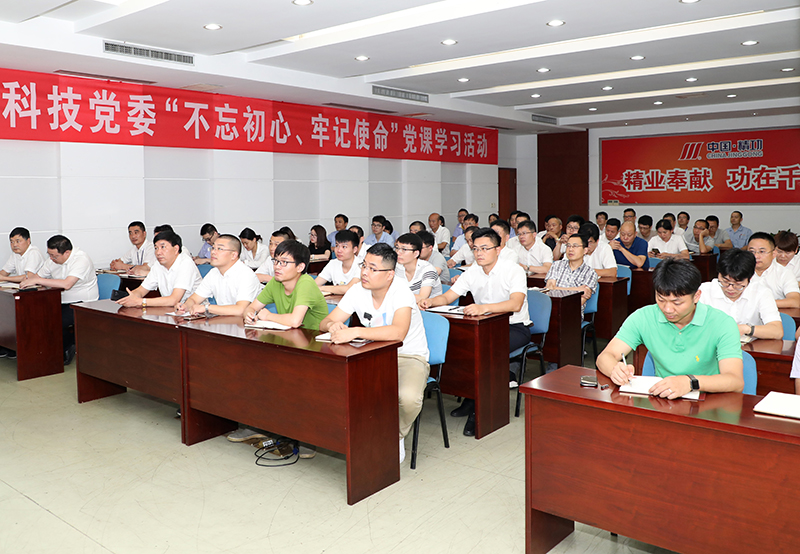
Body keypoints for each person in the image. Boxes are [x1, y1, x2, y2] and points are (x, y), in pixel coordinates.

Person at [320, 243, 430, 463]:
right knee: (336, 388)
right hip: (370, 354)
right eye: (364, 266)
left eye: (372, 268)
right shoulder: (357, 290)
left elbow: (398, 333)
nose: (364, 272)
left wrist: (356, 331)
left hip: (407, 356)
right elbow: (325, 321)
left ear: (389, 274)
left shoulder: (401, 291)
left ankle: (395, 435)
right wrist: (333, 326)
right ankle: (354, 435)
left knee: (408, 398)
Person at [419, 228, 530, 436]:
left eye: (485, 248)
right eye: (475, 248)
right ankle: (470, 397)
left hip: (514, 327)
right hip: (483, 327)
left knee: (481, 352)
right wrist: (430, 302)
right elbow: (448, 297)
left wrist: (484, 308)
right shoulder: (473, 271)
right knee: (461, 346)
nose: (479, 253)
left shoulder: (513, 270)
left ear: (498, 249)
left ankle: (479, 408)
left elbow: (516, 304)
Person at [596, 258, 744, 397]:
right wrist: (615, 370)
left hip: (708, 401)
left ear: (696, 296)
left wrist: (690, 382)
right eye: (661, 299)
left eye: (677, 303)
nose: (667, 309)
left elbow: (735, 381)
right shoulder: (643, 317)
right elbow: (605, 356)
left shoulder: (722, 323)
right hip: (663, 400)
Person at [21, 235, 98, 365]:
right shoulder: (52, 260)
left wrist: (39, 280)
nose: (51, 258)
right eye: (49, 255)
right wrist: (31, 281)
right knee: (37, 316)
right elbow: (37, 277)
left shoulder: (81, 259)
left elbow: (67, 284)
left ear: (67, 253)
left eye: (54, 256)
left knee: (55, 320)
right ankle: (43, 351)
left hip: (83, 302)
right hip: (60, 300)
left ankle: (67, 347)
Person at [698, 249, 783, 340]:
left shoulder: (761, 292)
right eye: (725, 281)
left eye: (738, 284)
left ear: (750, 278)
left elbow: (777, 331)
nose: (730, 288)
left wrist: (746, 329)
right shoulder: (704, 291)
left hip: (749, 346)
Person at [244, 240, 328, 330]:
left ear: (300, 267)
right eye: (276, 261)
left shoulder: (306, 283)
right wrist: (249, 315)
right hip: (289, 334)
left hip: (312, 336)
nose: (277, 266)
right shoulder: (276, 282)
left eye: (284, 262)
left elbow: (295, 321)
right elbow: (251, 308)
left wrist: (268, 316)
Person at [178, 234, 261, 317]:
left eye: (220, 249)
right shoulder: (213, 273)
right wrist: (185, 306)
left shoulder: (246, 275)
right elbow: (194, 299)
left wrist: (207, 308)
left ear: (233, 255)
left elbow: (240, 309)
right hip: (223, 321)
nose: (213, 252)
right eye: (213, 248)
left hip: (245, 323)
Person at [116, 230, 203, 308]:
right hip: (171, 310)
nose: (158, 252)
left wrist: (140, 302)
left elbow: (174, 300)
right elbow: (141, 290)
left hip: (195, 312)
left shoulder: (185, 263)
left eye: (163, 247)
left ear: (176, 249)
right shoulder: (158, 265)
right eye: (156, 248)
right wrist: (130, 298)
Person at [545, 232, 599, 316]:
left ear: (585, 250)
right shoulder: (556, 265)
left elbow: (579, 302)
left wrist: (556, 288)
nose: (570, 249)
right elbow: (549, 289)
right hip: (552, 309)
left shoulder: (590, 273)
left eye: (575, 246)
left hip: (572, 314)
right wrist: (577, 289)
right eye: (568, 246)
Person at [747, 232, 800, 309]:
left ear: (774, 253)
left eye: (762, 252)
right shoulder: (739, 270)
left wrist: (761, 303)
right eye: (752, 251)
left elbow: (795, 301)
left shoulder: (784, 273)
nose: (756, 256)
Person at [394, 233, 441, 300]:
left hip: (428, 306)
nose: (398, 252)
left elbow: (422, 297)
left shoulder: (428, 270)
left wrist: (394, 297)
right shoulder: (397, 267)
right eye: (397, 248)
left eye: (404, 249)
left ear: (416, 253)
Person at [314, 230, 361, 295]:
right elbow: (315, 284)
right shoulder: (333, 263)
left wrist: (321, 288)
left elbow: (349, 289)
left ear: (355, 249)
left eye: (344, 247)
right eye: (337, 246)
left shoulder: (362, 265)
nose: (339, 250)